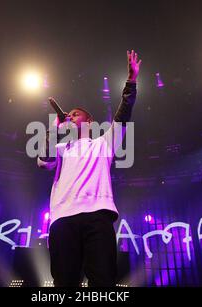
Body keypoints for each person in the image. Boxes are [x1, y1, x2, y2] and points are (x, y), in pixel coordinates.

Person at [37, 50, 141, 287]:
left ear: (90, 121)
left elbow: (123, 115)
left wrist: (131, 81)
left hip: (97, 216)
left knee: (103, 280)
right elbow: (44, 159)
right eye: (68, 114)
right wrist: (55, 128)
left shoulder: (103, 143)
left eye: (76, 114)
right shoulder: (62, 149)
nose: (70, 116)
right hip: (63, 218)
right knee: (64, 282)